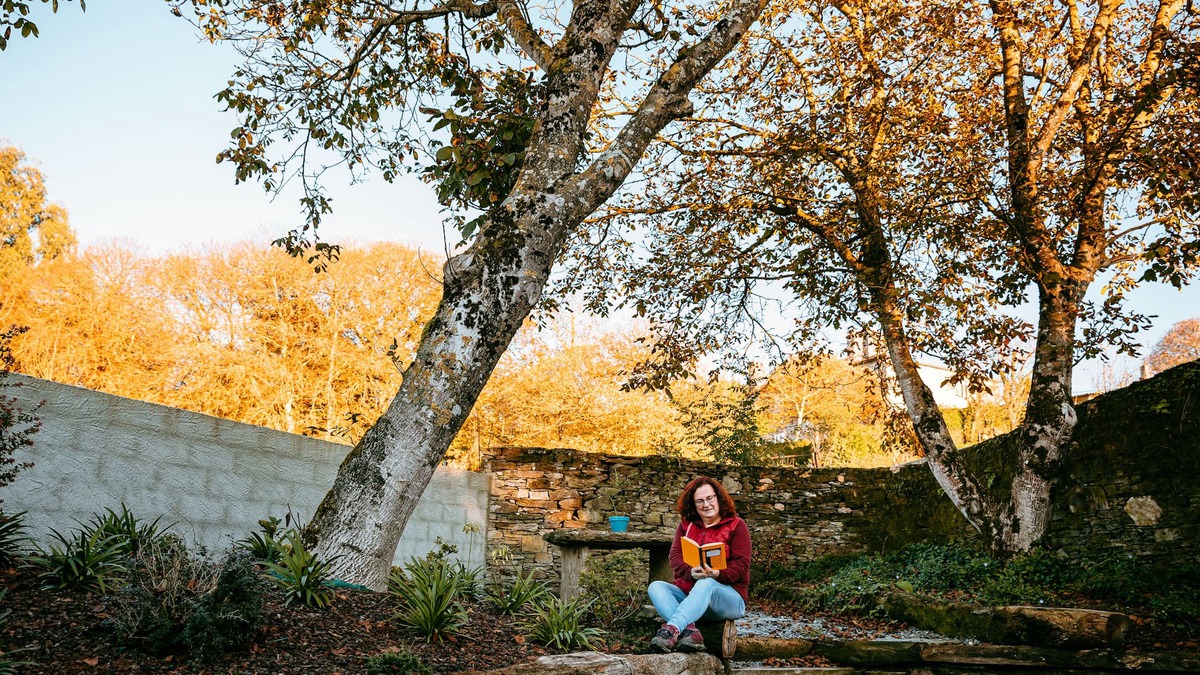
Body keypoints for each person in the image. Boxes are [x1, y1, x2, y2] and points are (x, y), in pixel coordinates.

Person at [646, 475, 751, 653]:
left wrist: (718, 574)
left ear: (718, 497)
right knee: (656, 587)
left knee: (707, 582)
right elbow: (675, 556)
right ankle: (690, 632)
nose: (706, 504)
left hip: (728, 599)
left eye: (710, 498)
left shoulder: (736, 525)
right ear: (693, 505)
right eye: (700, 501)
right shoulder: (686, 526)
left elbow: (742, 566)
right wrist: (690, 572)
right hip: (691, 599)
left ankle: (671, 630)